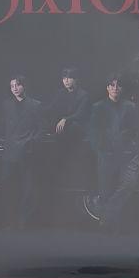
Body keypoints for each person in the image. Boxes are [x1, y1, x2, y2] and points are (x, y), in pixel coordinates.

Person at [83, 74, 139, 225]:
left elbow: (135, 130)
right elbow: (93, 132)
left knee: (129, 183)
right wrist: (101, 149)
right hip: (106, 154)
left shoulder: (130, 107)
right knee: (106, 189)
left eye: (118, 85)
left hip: (127, 154)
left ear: (122, 89)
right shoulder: (98, 107)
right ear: (107, 88)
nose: (115, 88)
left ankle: (104, 212)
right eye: (112, 85)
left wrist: (129, 145)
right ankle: (110, 223)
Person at [41, 66, 91, 212]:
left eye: (69, 77)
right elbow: (51, 108)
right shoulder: (60, 93)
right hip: (63, 128)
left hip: (78, 128)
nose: (66, 81)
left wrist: (65, 119)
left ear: (76, 79)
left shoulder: (84, 95)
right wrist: (38, 109)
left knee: (71, 126)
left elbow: (81, 114)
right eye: (64, 78)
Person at [0, 75, 42, 227]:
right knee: (8, 186)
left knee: (28, 188)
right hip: (10, 152)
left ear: (24, 86)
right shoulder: (6, 105)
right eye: (12, 86)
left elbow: (41, 129)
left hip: (27, 152)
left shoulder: (35, 105)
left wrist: (31, 143)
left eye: (18, 85)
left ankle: (25, 221)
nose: (15, 88)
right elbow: (3, 127)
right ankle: (9, 220)